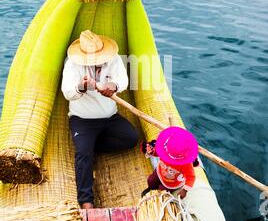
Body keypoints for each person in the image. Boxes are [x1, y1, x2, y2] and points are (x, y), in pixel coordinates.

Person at [61, 30, 139, 209]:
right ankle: (86, 201)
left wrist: (113, 86)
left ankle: (91, 147)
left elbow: (123, 81)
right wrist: (81, 87)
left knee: (131, 138)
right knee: (83, 154)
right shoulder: (73, 64)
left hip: (109, 116)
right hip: (83, 119)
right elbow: (68, 93)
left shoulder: (114, 59)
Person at [140, 127, 199, 199]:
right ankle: (151, 188)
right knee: (151, 180)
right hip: (160, 171)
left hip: (172, 182)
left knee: (162, 191)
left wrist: (185, 190)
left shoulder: (186, 163)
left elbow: (191, 177)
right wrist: (151, 151)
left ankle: (156, 196)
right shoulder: (165, 148)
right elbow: (157, 152)